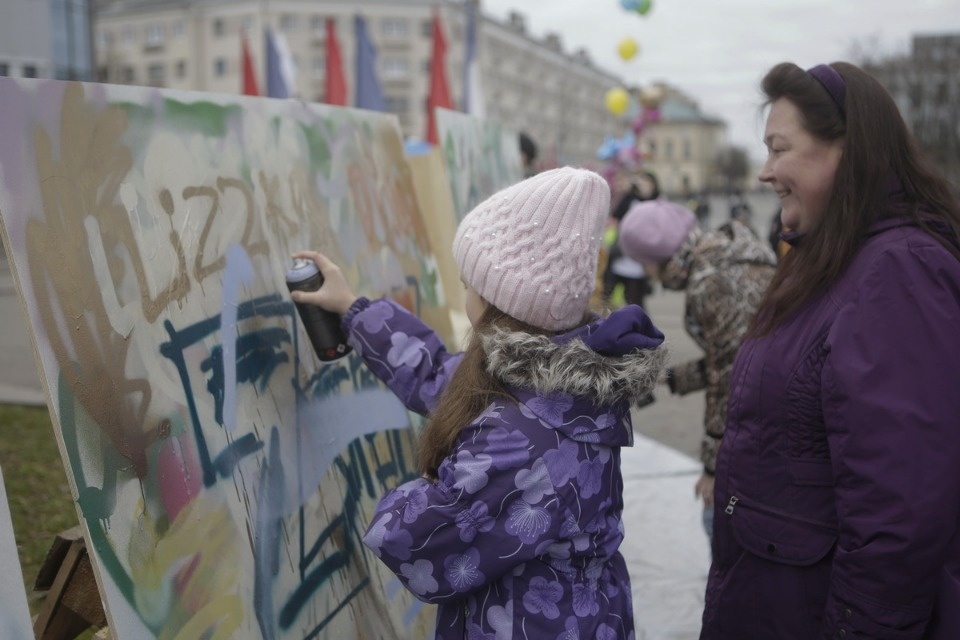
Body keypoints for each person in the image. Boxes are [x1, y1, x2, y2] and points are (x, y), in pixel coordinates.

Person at [291, 167, 668, 639]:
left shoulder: (518, 442)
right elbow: (435, 374)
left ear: (502, 300)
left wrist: (428, 479)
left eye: (470, 282)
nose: (465, 293)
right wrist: (353, 311)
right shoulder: (556, 378)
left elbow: (415, 541)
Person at [699, 61, 960, 639]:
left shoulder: (899, 271)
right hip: (774, 601)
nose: (765, 173)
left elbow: (901, 513)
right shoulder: (828, 260)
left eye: (779, 148)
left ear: (847, 150)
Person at [618, 199, 776, 544]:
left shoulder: (710, 281)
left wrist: (712, 468)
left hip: (766, 422)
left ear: (656, 258)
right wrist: (670, 378)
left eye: (644, 264)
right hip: (774, 401)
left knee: (717, 516)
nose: (645, 275)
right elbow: (735, 356)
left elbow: (730, 376)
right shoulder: (728, 250)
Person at [602, 168, 660, 309]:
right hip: (620, 256)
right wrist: (629, 191)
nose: (643, 184)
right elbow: (616, 215)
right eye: (642, 181)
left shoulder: (658, 202)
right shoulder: (630, 199)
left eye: (647, 181)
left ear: (654, 184)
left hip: (639, 263)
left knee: (635, 303)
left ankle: (640, 328)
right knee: (605, 298)